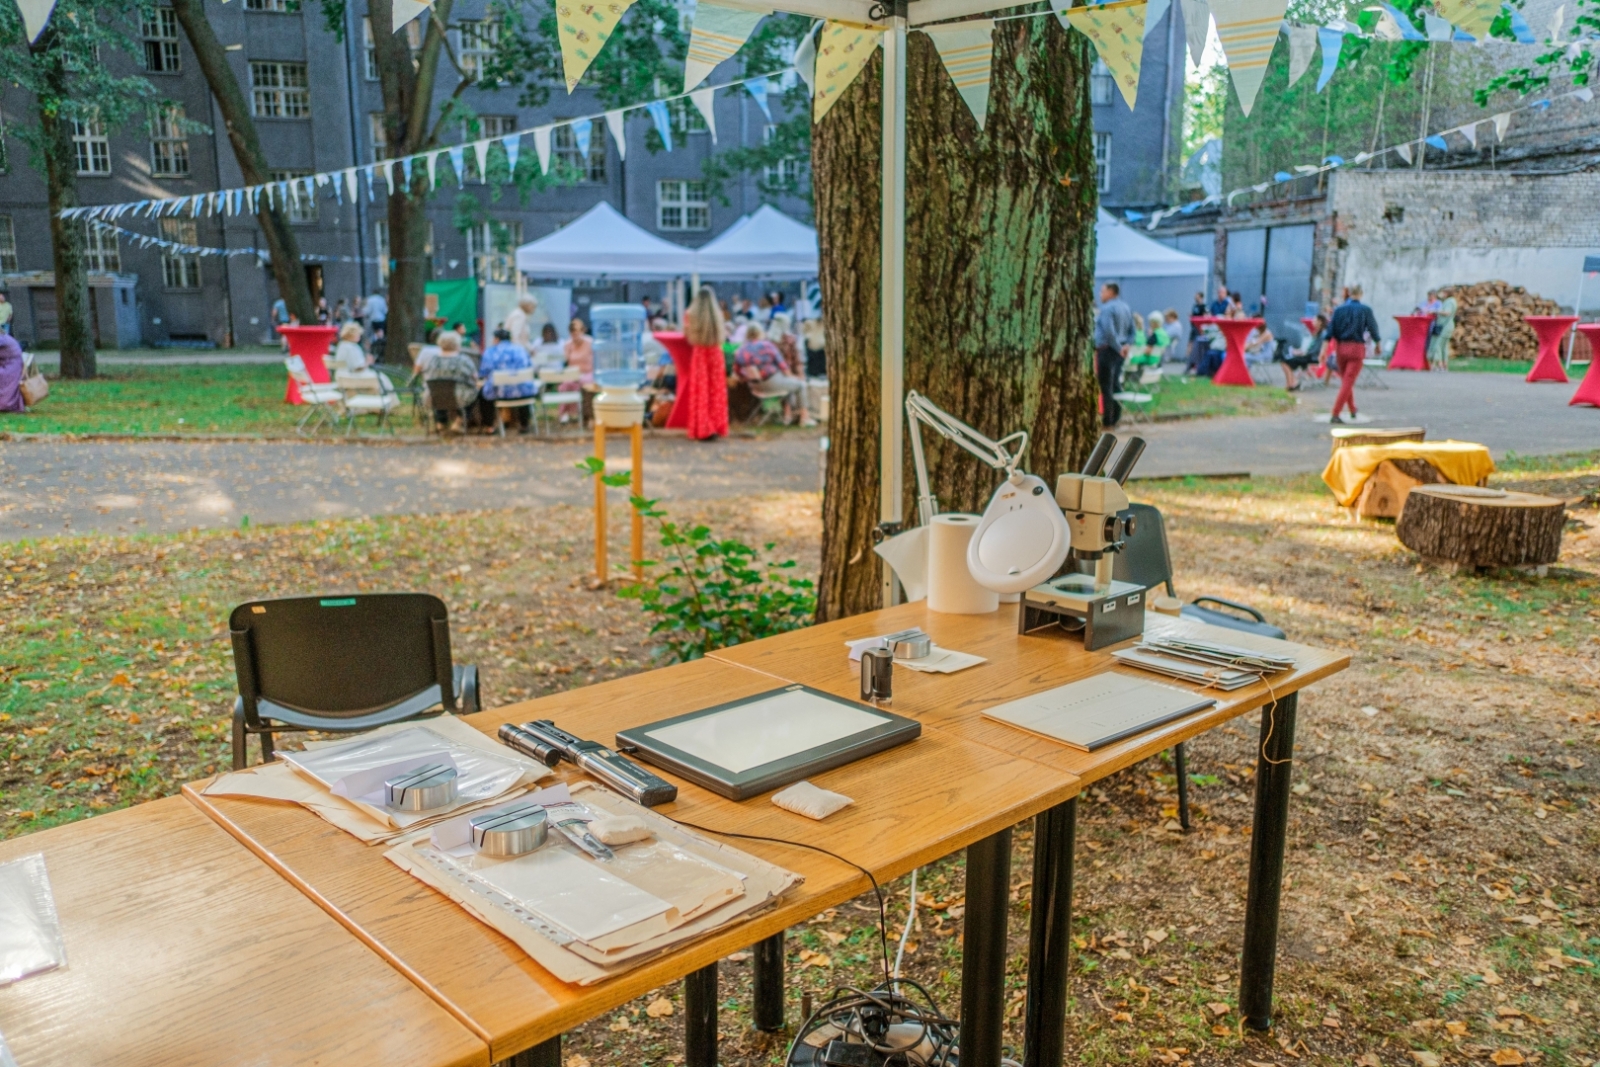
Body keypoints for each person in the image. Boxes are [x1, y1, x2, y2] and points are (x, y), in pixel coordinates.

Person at [681, 285, 731, 441]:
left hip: (700, 353)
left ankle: (702, 426)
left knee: (701, 390)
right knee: (716, 390)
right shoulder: (717, 314)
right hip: (715, 353)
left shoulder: (690, 314)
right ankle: (716, 425)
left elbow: (686, 335)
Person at [1327, 285, 1382, 423]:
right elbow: (1373, 328)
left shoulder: (1339, 310)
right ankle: (1335, 413)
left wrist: (1323, 351)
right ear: (1361, 294)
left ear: (1349, 293)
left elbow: (1330, 331)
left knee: (1346, 380)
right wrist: (1378, 345)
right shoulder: (1366, 310)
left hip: (1341, 348)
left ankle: (1352, 408)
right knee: (1348, 381)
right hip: (1357, 348)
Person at [734, 323, 809, 425]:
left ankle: (788, 416)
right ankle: (804, 418)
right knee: (799, 385)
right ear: (760, 333)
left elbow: (738, 372)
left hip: (754, 387)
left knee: (789, 385)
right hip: (771, 382)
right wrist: (794, 377)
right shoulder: (767, 345)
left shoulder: (741, 350)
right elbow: (783, 366)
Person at [478, 326, 535, 433]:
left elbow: (483, 372)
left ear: (496, 339)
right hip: (523, 394)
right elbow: (530, 367)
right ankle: (524, 424)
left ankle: (489, 427)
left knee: (483, 393)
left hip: (499, 394)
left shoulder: (490, 352)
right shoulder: (520, 349)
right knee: (523, 385)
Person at [1093, 282, 1133, 428]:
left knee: (1106, 386)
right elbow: (1132, 330)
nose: (1100, 294)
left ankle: (1107, 420)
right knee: (1116, 383)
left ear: (1111, 292)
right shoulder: (1125, 307)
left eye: (1102, 291)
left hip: (1107, 349)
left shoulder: (1107, 309)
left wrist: (1117, 347)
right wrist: (1126, 345)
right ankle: (1116, 416)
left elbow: (1109, 332)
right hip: (1120, 351)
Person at [424, 330, 481, 430]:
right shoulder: (463, 360)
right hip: (459, 396)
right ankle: (458, 422)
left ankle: (440, 422)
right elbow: (475, 377)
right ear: (457, 344)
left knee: (440, 390)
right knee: (474, 393)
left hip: (435, 396)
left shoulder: (433, 360)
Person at [1277, 313, 1326, 390]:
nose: (1313, 322)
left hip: (1311, 357)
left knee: (1285, 362)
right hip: (1309, 356)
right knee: (1285, 361)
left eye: (1314, 320)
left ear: (1320, 322)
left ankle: (1291, 383)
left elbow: (1315, 350)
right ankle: (1292, 382)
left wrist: (1303, 353)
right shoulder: (1319, 333)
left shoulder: (1322, 335)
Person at [1429, 291, 1457, 369]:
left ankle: (1439, 364)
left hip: (1445, 326)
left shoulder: (1449, 302)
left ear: (1447, 293)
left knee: (1438, 345)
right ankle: (1444, 364)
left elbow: (1447, 312)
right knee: (1444, 346)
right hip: (1448, 325)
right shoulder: (1451, 301)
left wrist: (1436, 311)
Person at [563, 317, 594, 382]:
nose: (575, 336)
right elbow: (565, 360)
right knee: (564, 385)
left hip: (588, 374)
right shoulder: (568, 344)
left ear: (582, 331)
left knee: (585, 382)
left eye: (576, 333)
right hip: (573, 375)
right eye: (573, 334)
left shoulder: (590, 342)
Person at [0, 333, 25, 413]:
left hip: (11, 366)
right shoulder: (3, 337)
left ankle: (5, 404)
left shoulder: (2, 339)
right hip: (8, 364)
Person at [367, 289, 388, 360]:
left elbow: (368, 310)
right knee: (380, 333)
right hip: (381, 318)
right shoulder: (381, 299)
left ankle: (376, 347)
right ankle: (380, 348)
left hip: (373, 318)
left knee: (375, 333)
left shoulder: (370, 299)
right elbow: (384, 310)